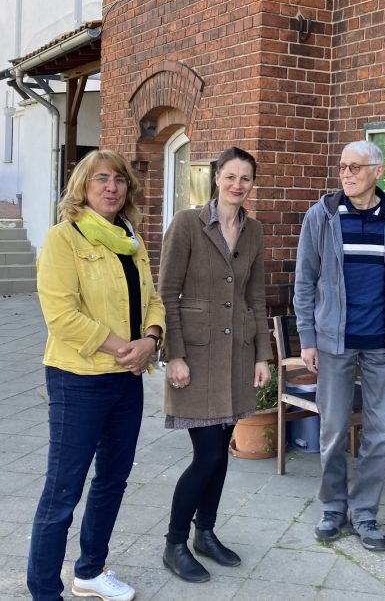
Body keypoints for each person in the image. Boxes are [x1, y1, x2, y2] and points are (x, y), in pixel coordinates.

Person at [29, 150, 165, 601]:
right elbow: (61, 315)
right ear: (83, 187)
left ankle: (90, 571)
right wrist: (125, 348)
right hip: (78, 379)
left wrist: (150, 338)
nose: (111, 187)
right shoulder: (63, 238)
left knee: (112, 480)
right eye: (100, 179)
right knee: (63, 489)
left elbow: (153, 300)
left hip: (126, 379)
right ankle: (44, 591)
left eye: (119, 180)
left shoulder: (131, 239)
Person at [293, 140, 385, 552]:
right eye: (343, 167)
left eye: (356, 167)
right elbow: (304, 283)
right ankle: (333, 507)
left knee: (378, 435)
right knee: (331, 432)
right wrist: (308, 339)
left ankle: (365, 514)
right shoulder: (322, 216)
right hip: (334, 342)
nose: (346, 174)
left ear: (378, 171)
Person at [158, 147, 272, 582]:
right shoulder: (188, 224)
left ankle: (205, 532)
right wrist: (176, 354)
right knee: (206, 455)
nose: (237, 185)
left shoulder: (254, 230)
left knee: (220, 453)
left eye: (245, 178)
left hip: (237, 355)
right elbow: (167, 292)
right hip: (198, 357)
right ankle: (174, 542)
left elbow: (256, 298)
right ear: (216, 178)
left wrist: (263, 355)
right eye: (230, 176)